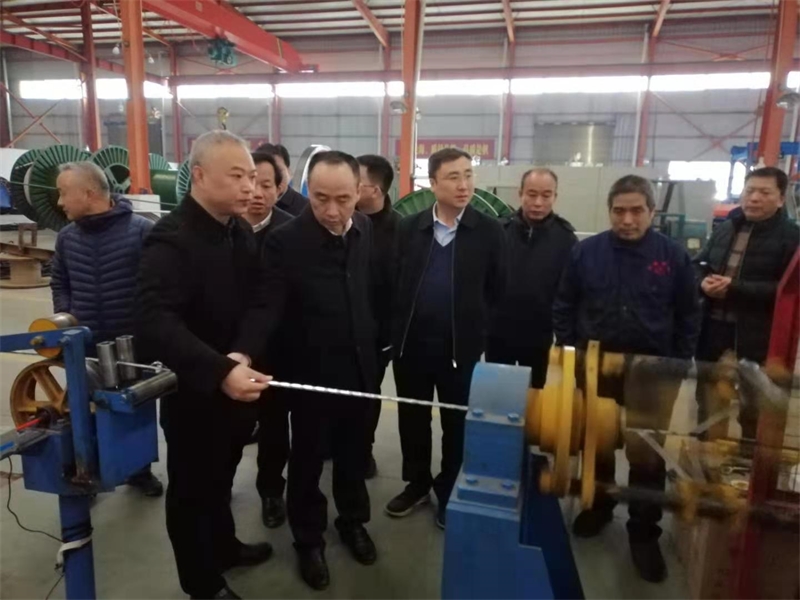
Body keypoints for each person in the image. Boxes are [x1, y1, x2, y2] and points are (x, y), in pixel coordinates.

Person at [135, 130, 274, 600]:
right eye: (236, 176)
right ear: (198, 175)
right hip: (194, 394)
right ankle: (201, 583)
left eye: (252, 177)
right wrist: (218, 370)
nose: (249, 187)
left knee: (222, 476)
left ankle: (224, 547)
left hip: (237, 383)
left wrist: (243, 354)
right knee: (192, 490)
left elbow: (260, 301)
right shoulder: (170, 240)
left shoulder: (238, 231)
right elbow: (154, 321)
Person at [552, 174, 700, 584]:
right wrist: (572, 353)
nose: (628, 219)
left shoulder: (672, 257)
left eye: (637, 211)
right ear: (610, 212)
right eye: (619, 211)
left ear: (652, 212)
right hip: (596, 366)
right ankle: (599, 506)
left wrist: (676, 363)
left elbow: (690, 313)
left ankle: (643, 532)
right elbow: (564, 304)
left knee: (646, 453)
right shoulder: (586, 253)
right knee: (596, 442)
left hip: (652, 373)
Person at [254, 151, 379, 591]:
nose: (331, 210)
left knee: (353, 455)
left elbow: (367, 293)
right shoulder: (284, 241)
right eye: (320, 198)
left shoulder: (363, 229)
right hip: (309, 375)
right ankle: (308, 540)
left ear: (358, 192)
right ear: (307, 190)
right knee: (307, 462)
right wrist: (244, 354)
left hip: (359, 371)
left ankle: (352, 521)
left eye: (343, 199)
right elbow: (267, 307)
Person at [386, 147, 506, 529]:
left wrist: (477, 332)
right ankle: (417, 483)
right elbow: (393, 282)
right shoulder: (409, 229)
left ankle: (450, 488)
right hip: (411, 346)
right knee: (413, 419)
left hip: (460, 350)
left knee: (456, 424)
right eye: (453, 177)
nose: (463, 184)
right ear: (433, 183)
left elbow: (497, 290)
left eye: (468, 175)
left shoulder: (489, 232)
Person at [51, 161, 163, 498]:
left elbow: (156, 287)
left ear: (88, 193)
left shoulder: (141, 231)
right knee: (83, 412)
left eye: (63, 193)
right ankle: (88, 471)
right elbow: (59, 282)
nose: (59, 202)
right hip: (83, 347)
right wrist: (67, 318)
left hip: (131, 347)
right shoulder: (67, 238)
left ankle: (138, 469)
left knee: (134, 409)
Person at [693, 166, 799, 439]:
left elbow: (789, 292)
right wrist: (702, 282)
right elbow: (698, 264)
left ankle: (748, 461)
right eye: (750, 190)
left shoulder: (791, 238)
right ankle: (707, 458)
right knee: (708, 402)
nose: (754, 198)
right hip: (713, 331)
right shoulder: (726, 228)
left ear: (780, 198)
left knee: (754, 409)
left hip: (758, 338)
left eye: (764, 192)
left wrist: (735, 288)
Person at [229, 151, 293, 529]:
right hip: (230, 352)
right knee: (231, 427)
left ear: (279, 189)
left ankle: (271, 491)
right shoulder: (222, 228)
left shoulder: (291, 232)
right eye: (249, 182)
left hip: (278, 350)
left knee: (273, 426)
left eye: (266, 184)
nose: (256, 192)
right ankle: (221, 486)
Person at [487, 168, 578, 388]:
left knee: (536, 397)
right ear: (520, 194)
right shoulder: (499, 232)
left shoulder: (566, 239)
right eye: (532, 194)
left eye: (546, 196)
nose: (538, 203)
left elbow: (570, 293)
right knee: (499, 395)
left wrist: (565, 337)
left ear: (555, 197)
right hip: (498, 335)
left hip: (540, 338)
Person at [356, 154, 400, 479]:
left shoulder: (401, 231)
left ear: (375, 190)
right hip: (338, 330)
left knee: (367, 396)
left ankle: (362, 450)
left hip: (377, 336)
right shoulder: (342, 221)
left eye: (355, 181)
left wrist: (388, 338)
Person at [253, 143, 309, 216]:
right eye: (266, 171)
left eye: (279, 170)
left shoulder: (306, 209)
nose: (275, 176)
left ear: (289, 171)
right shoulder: (244, 204)